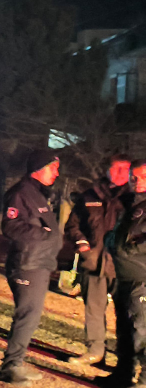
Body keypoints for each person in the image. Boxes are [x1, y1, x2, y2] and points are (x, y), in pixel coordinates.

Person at [0, 150, 63, 386]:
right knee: (27, 315)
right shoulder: (21, 193)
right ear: (39, 167)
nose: (57, 173)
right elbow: (11, 226)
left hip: (39, 263)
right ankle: (10, 366)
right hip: (27, 264)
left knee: (31, 316)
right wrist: (45, 235)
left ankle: (16, 362)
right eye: (53, 168)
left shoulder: (36, 193)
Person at [65, 153, 132, 364]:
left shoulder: (134, 198)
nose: (120, 173)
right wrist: (82, 244)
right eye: (116, 168)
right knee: (93, 309)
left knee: (126, 313)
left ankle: (125, 359)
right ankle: (95, 352)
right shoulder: (89, 196)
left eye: (125, 169)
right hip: (93, 262)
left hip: (122, 266)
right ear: (106, 170)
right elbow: (72, 225)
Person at [106, 159, 146, 388]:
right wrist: (114, 244)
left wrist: (128, 250)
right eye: (134, 176)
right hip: (124, 277)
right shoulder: (132, 204)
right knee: (124, 330)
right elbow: (117, 235)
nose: (137, 181)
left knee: (141, 332)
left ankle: (144, 384)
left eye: (143, 177)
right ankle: (123, 374)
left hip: (142, 277)